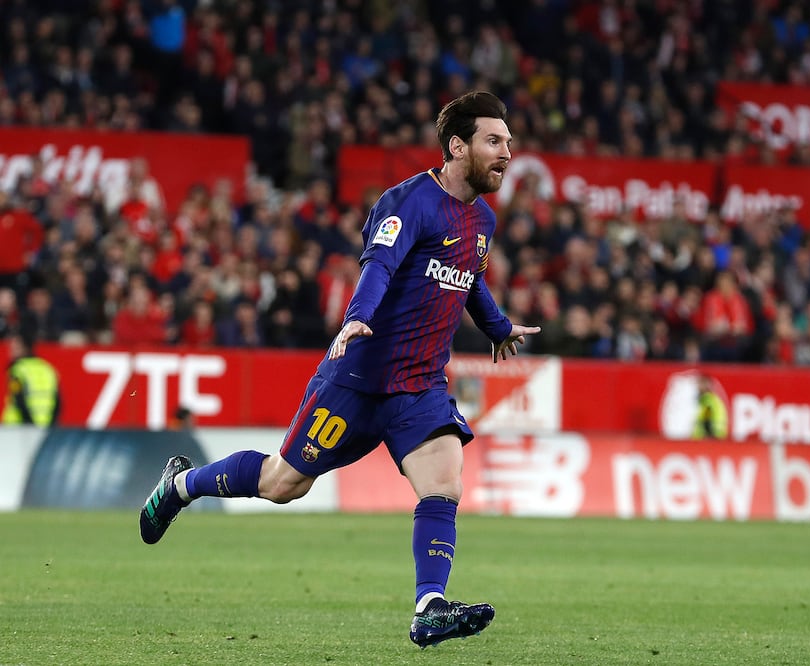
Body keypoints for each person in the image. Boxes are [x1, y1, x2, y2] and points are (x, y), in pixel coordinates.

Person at [138, 91, 540, 648]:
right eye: (494, 141)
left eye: (509, 144)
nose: (505, 154)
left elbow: (468, 277)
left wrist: (496, 327)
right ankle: (180, 485)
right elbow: (379, 265)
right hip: (357, 381)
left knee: (444, 483)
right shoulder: (408, 202)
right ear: (457, 146)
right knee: (282, 484)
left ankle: (430, 607)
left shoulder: (484, 219)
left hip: (419, 387)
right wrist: (356, 319)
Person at [2, 332, 61, 427]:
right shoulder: (48, 369)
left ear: (25, 348)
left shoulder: (17, 370)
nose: (11, 351)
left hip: (17, 427)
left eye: (15, 347)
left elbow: (18, 399)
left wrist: (30, 425)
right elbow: (58, 402)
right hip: (45, 426)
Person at [692, 374, 728, 439]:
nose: (697, 387)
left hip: (709, 438)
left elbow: (707, 419)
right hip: (716, 437)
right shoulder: (713, 399)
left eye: (700, 384)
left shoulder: (707, 400)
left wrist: (708, 436)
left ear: (706, 385)